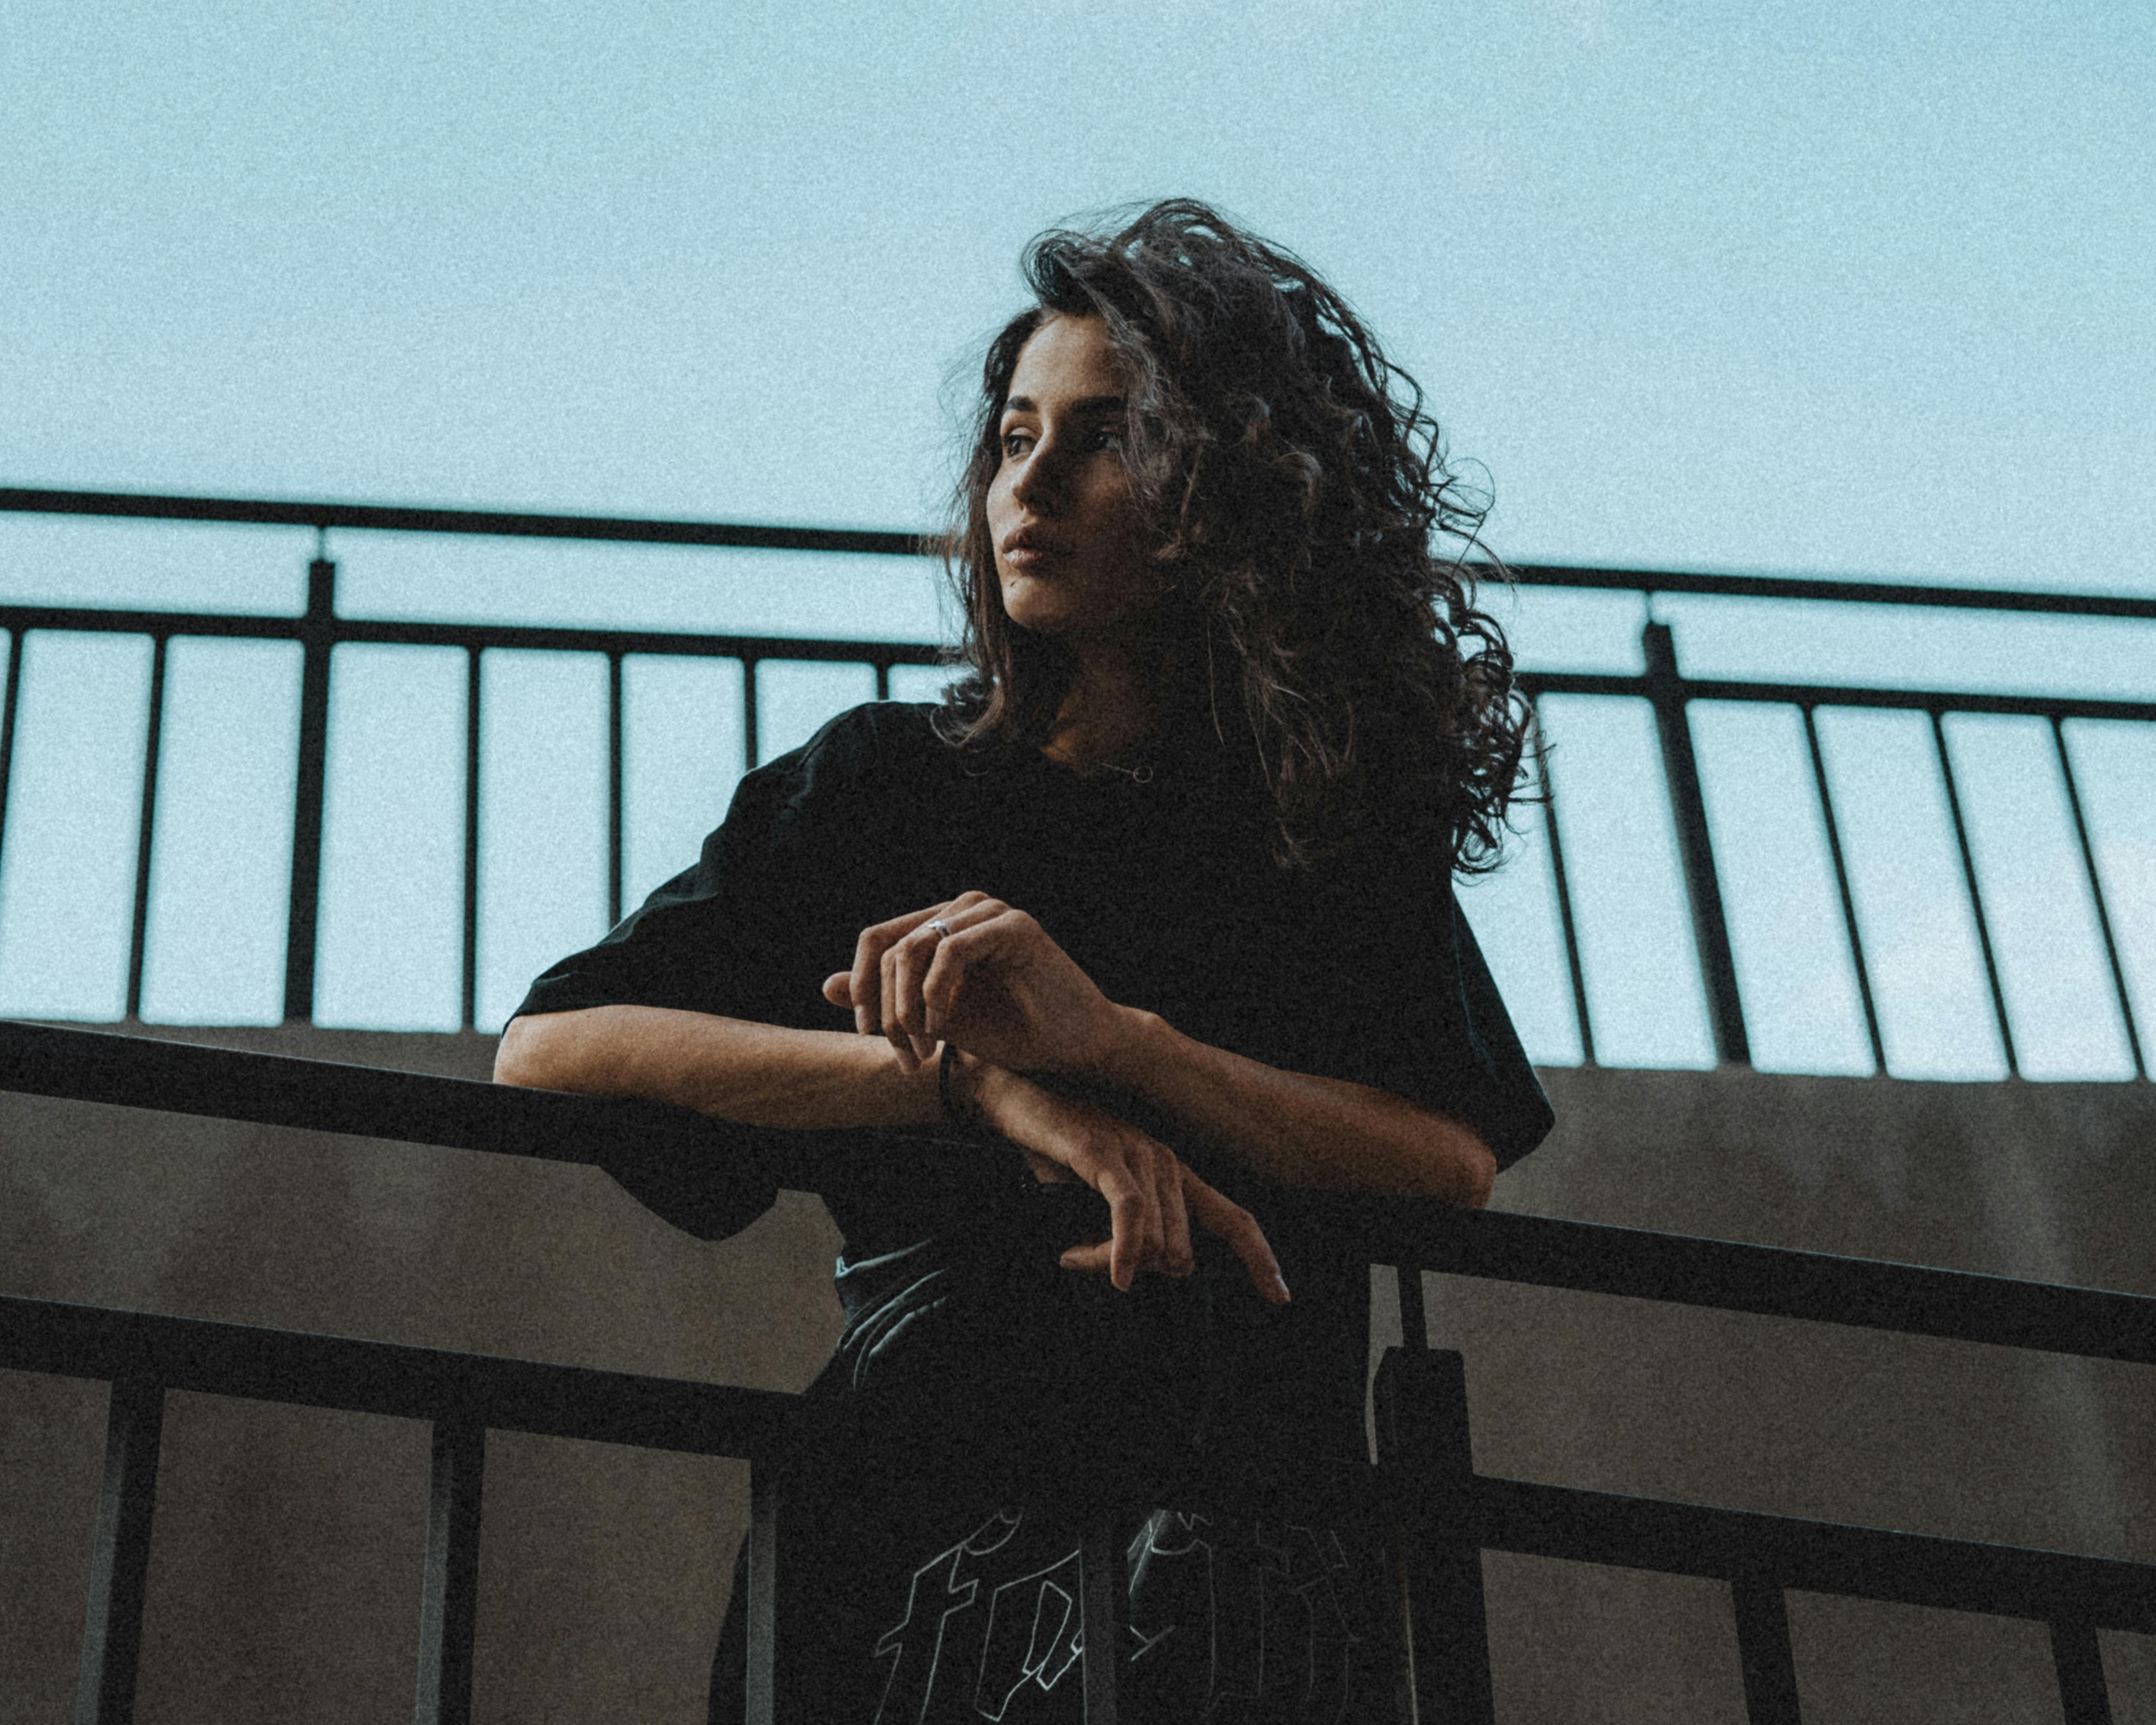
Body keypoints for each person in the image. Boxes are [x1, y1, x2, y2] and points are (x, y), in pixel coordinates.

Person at [495, 199, 1553, 1724]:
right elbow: (550, 1047)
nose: (1029, 485)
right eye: (1011, 436)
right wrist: (975, 1088)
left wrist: (1119, 1043)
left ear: (1231, 491)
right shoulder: (880, 785)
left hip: (1245, 1548)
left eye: (1106, 438)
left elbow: (1447, 1157)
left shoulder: (1313, 817)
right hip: (911, 1539)